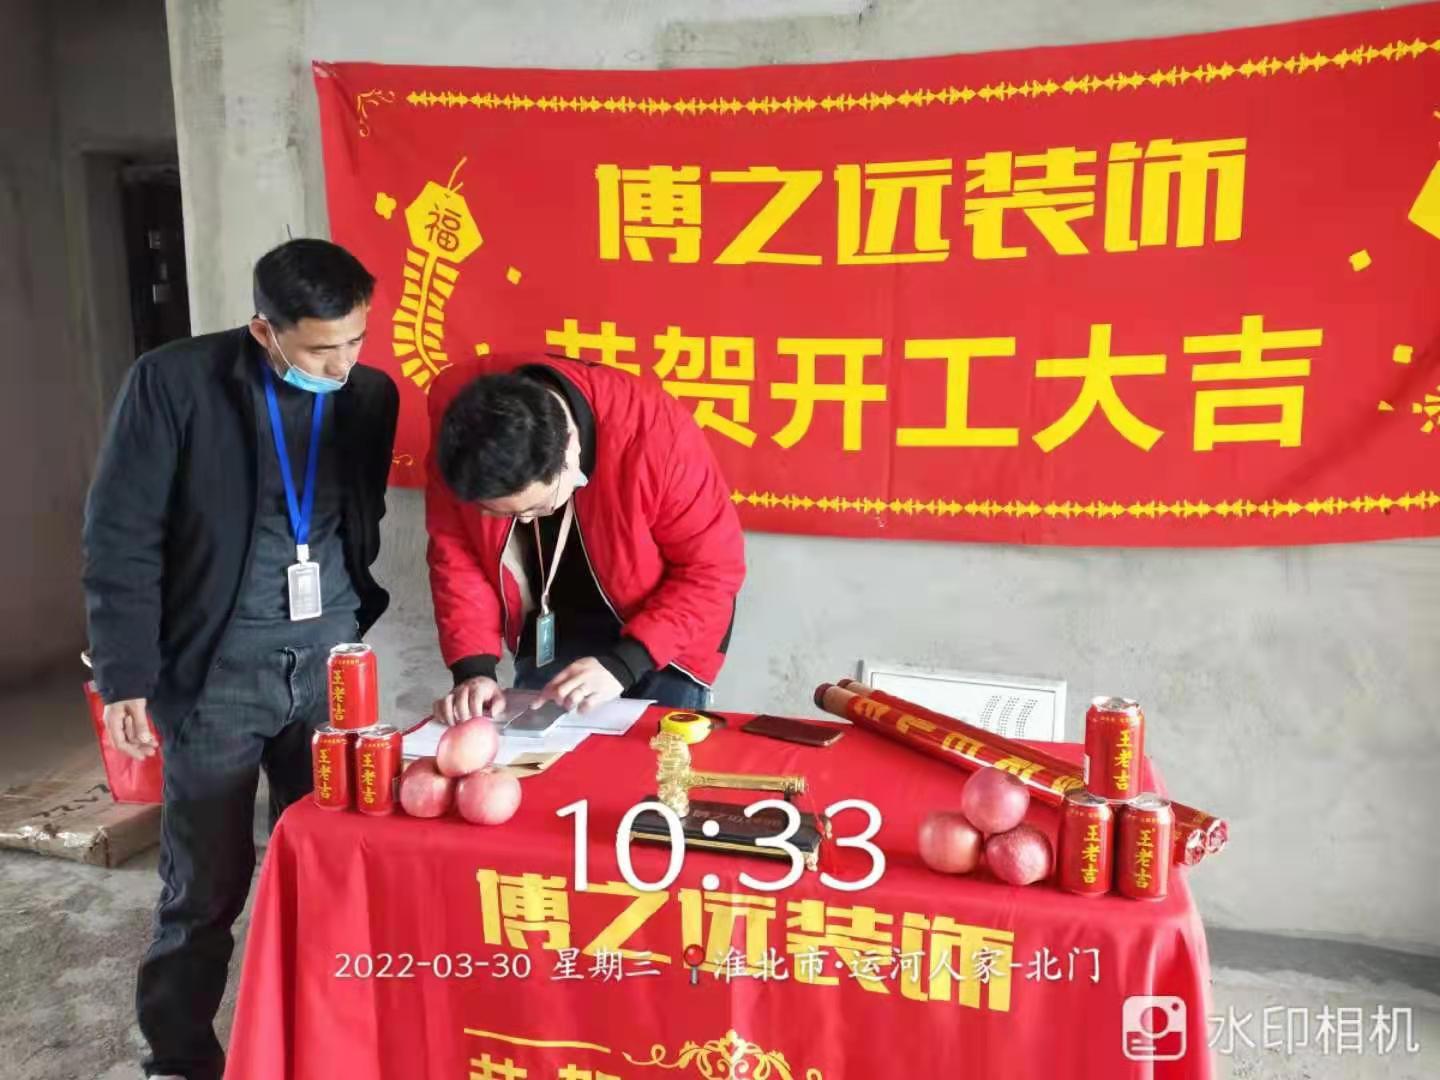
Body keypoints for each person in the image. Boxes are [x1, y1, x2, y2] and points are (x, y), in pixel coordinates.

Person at [82, 238, 398, 1080]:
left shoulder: (370, 395)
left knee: (333, 870)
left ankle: (319, 1050)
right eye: (321, 348)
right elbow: (121, 534)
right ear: (264, 331)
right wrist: (125, 674)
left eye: (356, 339)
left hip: (331, 670)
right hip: (218, 670)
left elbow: (356, 517)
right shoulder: (174, 383)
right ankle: (179, 1057)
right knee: (205, 887)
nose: (342, 364)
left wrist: (348, 620)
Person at [426, 352, 745, 723]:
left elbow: (712, 570)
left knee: (656, 753)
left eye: (538, 507)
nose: (525, 522)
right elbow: (457, 551)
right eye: (502, 514)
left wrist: (626, 663)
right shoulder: (465, 429)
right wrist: (473, 670)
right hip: (550, 624)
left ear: (570, 449)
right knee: (536, 751)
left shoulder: (656, 434)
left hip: (665, 634)